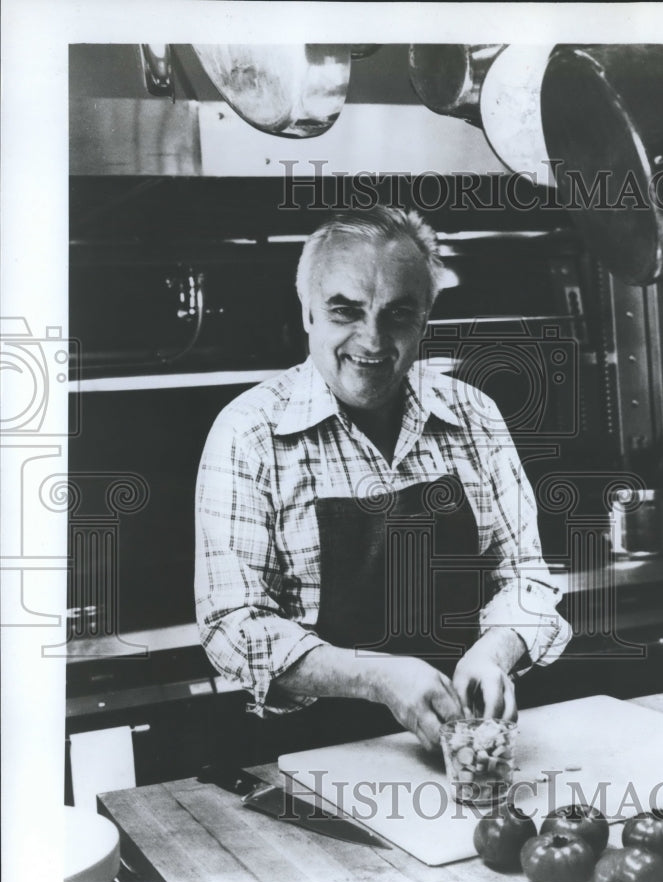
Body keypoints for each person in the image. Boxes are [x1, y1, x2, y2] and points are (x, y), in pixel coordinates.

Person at [195, 207, 571, 755]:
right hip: (315, 757)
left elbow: (524, 577)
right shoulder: (250, 432)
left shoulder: (476, 415)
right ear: (308, 314)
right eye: (345, 311)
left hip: (468, 745)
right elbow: (232, 626)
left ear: (426, 318)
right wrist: (377, 678)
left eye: (397, 315)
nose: (371, 341)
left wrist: (493, 654)